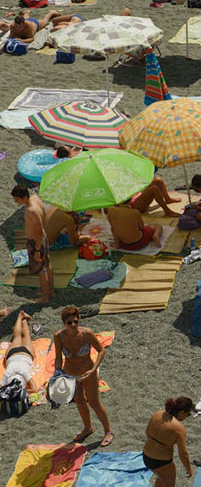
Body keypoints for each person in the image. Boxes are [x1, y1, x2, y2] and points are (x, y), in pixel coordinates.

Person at [55, 305, 114, 446]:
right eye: (69, 322)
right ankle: (88, 428)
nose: (73, 325)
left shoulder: (87, 334)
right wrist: (57, 374)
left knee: (94, 402)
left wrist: (94, 369)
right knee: (79, 401)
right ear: (64, 323)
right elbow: (58, 358)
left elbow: (101, 350)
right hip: (71, 373)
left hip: (88, 372)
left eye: (76, 321)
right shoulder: (59, 336)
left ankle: (108, 431)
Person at [143, 396, 194, 487]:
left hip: (146, 456)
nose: (186, 417)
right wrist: (188, 468)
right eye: (187, 414)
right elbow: (183, 453)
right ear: (182, 412)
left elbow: (147, 432)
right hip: (162, 462)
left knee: (160, 478)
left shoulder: (158, 414)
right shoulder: (179, 428)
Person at [11, 186, 52, 303]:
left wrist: (37, 251)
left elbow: (39, 231)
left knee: (41, 270)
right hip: (42, 238)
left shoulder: (31, 210)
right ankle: (50, 291)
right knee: (47, 264)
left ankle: (45, 297)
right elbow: (44, 216)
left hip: (36, 242)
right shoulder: (35, 198)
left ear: (24, 197)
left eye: (17, 199)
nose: (16, 202)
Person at [1, 311, 40, 394]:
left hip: (25, 355)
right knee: (18, 336)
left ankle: (23, 319)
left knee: (23, 336)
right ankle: (21, 317)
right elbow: (34, 389)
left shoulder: (23, 372)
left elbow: (34, 389)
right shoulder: (8, 374)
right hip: (13, 355)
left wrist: (22, 392)